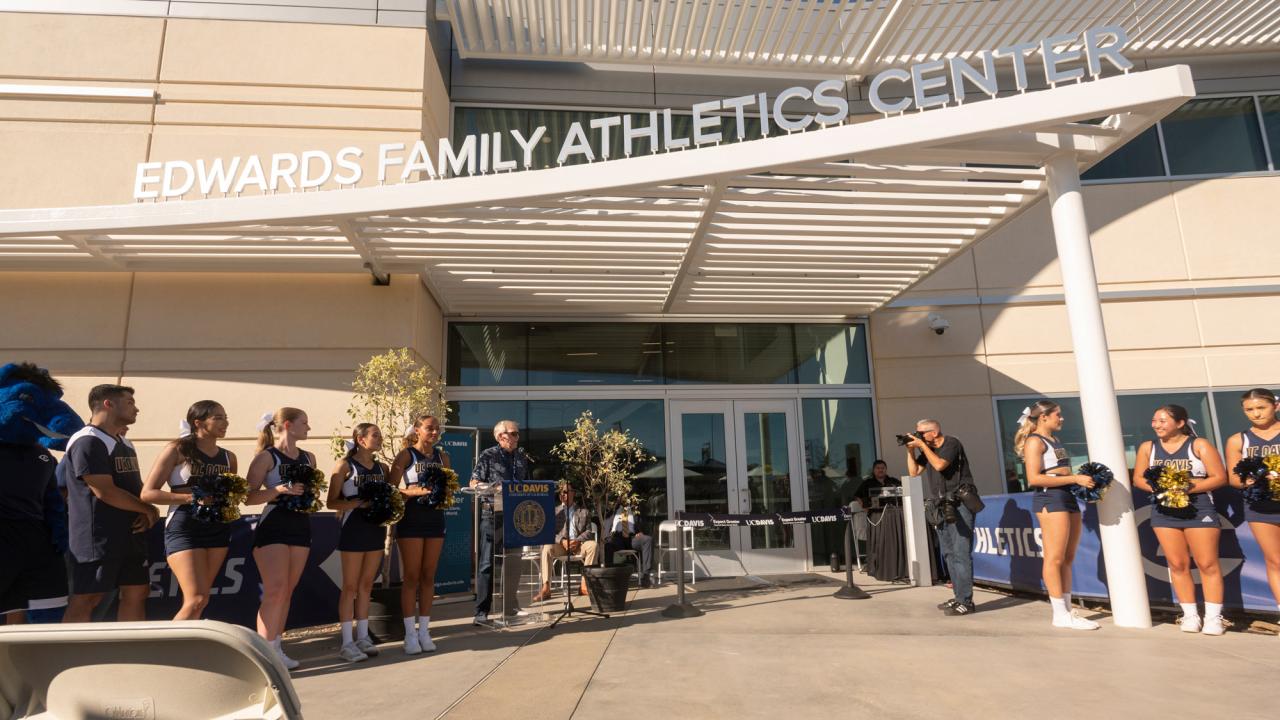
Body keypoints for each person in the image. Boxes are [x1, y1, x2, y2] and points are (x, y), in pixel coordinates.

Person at [62, 384, 158, 623]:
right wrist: (147, 508)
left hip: (130, 532)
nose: (136, 409)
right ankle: (66, 653)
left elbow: (133, 487)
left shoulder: (124, 442)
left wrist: (144, 510)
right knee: (88, 597)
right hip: (97, 535)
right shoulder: (88, 440)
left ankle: (130, 652)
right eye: (129, 403)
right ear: (108, 404)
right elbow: (104, 490)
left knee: (137, 591)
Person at [1132, 404, 1227, 636]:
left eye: (1163, 421)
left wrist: (1186, 488)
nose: (1157, 425)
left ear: (1181, 423)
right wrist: (1162, 488)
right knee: (1177, 564)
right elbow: (1138, 479)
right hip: (1164, 511)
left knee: (1207, 564)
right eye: (1154, 421)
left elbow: (1219, 477)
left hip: (1198, 509)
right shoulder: (1148, 448)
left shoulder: (1199, 445)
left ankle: (1214, 617)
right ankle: (1190, 615)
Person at [140, 401, 236, 620]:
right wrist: (191, 497)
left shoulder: (229, 457)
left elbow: (230, 493)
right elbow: (148, 493)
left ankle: (185, 651)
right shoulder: (177, 449)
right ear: (198, 422)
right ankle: (165, 652)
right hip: (184, 526)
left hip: (217, 527)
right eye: (218, 418)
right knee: (196, 599)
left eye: (225, 417)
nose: (225, 422)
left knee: (202, 600)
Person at [1013, 400, 1099, 631]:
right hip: (1050, 498)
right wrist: (1074, 479)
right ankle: (1059, 613)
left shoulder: (1055, 440)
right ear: (1043, 417)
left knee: (1068, 557)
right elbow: (1034, 478)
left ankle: (1068, 611)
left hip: (1066, 496)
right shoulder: (1035, 441)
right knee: (1055, 557)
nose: (1061, 419)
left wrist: (1080, 480)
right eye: (1057, 415)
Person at [0, 364, 73, 624]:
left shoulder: (40, 454)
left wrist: (57, 533)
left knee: (20, 607)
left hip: (32, 537)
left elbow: (51, 500)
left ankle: (13, 660)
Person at [245, 407, 311, 669]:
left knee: (287, 591)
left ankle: (276, 647)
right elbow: (248, 497)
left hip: (300, 524)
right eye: (304, 423)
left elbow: (309, 492)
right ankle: (264, 653)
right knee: (274, 590)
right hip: (273, 524)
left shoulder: (309, 458)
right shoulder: (266, 457)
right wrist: (278, 490)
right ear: (287, 425)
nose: (308, 428)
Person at [326, 423, 388, 663]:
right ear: (361, 440)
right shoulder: (345, 465)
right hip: (353, 528)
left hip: (375, 528)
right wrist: (359, 504)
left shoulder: (382, 467)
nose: (380, 438)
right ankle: (346, 642)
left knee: (366, 586)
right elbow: (332, 502)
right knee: (350, 587)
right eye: (375, 435)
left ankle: (363, 637)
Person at [389, 414, 449, 654]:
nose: (434, 432)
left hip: (435, 519)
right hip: (411, 519)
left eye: (437, 429)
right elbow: (391, 488)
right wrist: (410, 492)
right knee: (411, 576)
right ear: (417, 430)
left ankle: (424, 630)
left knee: (428, 575)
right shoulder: (406, 455)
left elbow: (448, 485)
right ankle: (409, 634)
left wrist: (443, 493)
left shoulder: (443, 456)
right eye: (429, 428)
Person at [905, 418, 976, 616]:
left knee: (961, 552)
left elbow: (940, 465)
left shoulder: (951, 443)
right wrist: (911, 450)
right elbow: (913, 473)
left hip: (960, 504)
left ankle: (967, 601)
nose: (918, 436)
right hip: (941, 505)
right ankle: (958, 597)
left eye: (920, 433)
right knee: (949, 553)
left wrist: (922, 447)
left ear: (933, 432)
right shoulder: (927, 450)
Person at [1224, 387, 1280, 636]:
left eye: (1261, 407)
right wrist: (1251, 480)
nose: (1256, 414)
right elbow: (1234, 479)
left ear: (1275, 406)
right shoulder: (1238, 440)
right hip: (1260, 506)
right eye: (1250, 410)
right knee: (1275, 560)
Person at [470, 419, 529, 625]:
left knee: (513, 561)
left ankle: (510, 607)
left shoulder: (521, 457)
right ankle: (481, 612)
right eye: (511, 433)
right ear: (499, 436)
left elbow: (527, 485)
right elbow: (474, 482)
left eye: (517, 434)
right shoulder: (488, 455)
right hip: (492, 514)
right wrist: (493, 489)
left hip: (516, 516)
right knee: (487, 563)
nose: (515, 437)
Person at [533, 483, 599, 601]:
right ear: (560, 496)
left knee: (593, 545)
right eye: (562, 492)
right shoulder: (554, 512)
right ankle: (546, 588)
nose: (564, 494)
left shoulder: (583, 511)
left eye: (567, 491)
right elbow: (549, 532)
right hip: (561, 546)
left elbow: (589, 531)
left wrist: (577, 541)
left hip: (579, 544)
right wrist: (562, 541)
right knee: (547, 548)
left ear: (573, 493)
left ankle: (584, 584)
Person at [604, 502, 653, 587]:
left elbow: (644, 522)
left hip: (632, 537)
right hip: (617, 537)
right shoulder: (613, 508)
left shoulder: (635, 508)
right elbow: (606, 523)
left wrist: (641, 532)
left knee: (647, 540)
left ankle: (646, 576)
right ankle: (610, 578)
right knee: (608, 544)